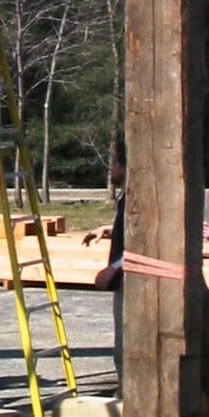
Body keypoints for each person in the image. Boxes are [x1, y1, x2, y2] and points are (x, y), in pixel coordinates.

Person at [82, 141, 127, 395]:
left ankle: (128, 397)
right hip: (126, 278)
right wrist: (109, 230)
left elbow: (144, 243)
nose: (111, 170)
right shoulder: (126, 199)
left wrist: (114, 268)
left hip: (132, 283)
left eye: (114, 165)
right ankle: (125, 392)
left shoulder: (135, 197)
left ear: (123, 167)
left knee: (127, 345)